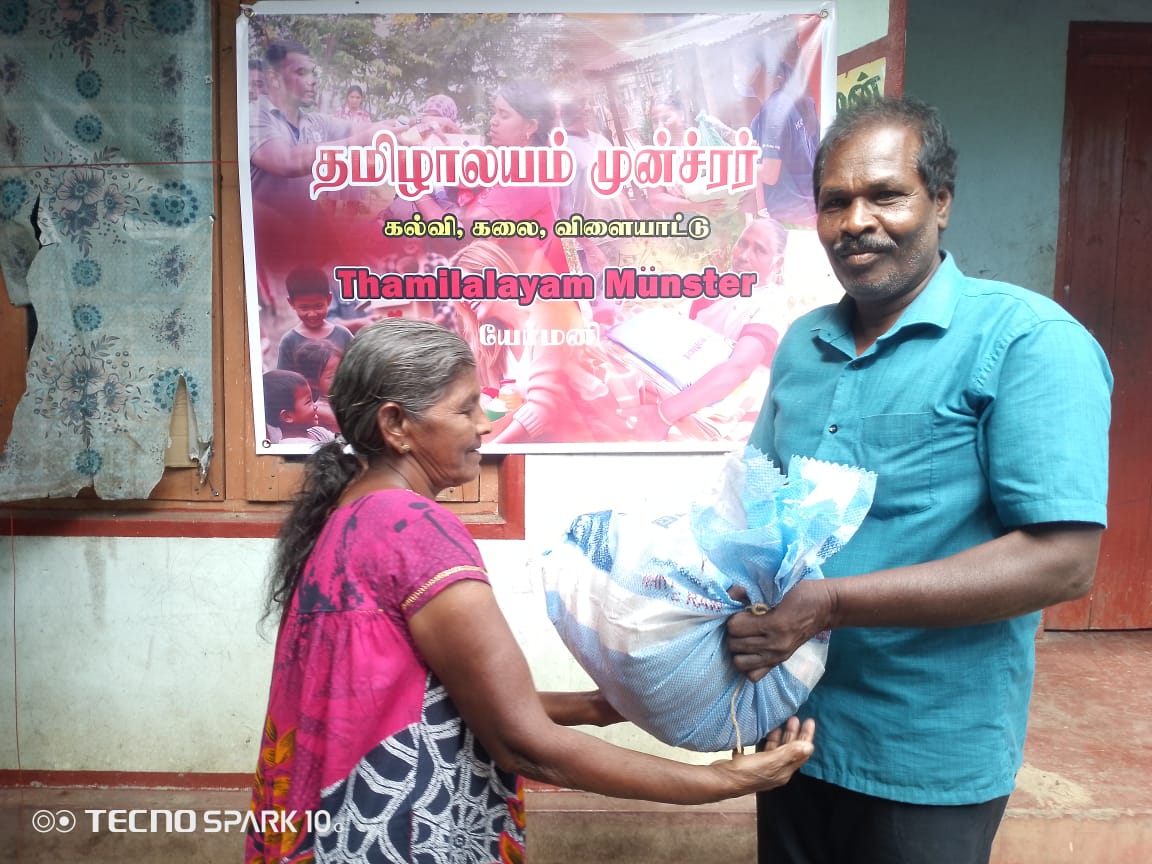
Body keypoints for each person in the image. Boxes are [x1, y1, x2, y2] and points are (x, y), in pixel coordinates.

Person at [245, 318, 817, 863]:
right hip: (397, 832)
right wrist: (720, 782)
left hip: (324, 825)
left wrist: (602, 707)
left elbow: (435, 700)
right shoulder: (414, 529)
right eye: (465, 409)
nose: (484, 424)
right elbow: (521, 742)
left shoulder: (348, 516)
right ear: (396, 425)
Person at [726, 96, 1112, 863]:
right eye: (835, 202)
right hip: (794, 730)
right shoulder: (802, 344)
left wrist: (831, 602)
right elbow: (757, 507)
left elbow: (1064, 561)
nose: (855, 222)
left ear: (941, 202)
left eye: (886, 195)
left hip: (926, 753)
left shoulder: (1028, 341)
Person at [634, 217, 789, 438]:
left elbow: (738, 368)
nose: (744, 255)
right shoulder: (717, 289)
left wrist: (662, 415)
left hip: (718, 417)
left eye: (759, 250)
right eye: (743, 243)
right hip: (680, 391)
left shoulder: (770, 306)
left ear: (778, 263)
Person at [413, 79, 569, 273]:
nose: (493, 121)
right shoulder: (519, 164)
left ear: (530, 126)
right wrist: (457, 138)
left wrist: (415, 187)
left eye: (504, 115)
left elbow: (458, 231)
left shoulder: (529, 176)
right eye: (494, 112)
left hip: (508, 286)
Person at [733, 57, 818, 227]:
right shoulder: (802, 107)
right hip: (810, 207)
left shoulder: (773, 109)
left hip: (789, 215)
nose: (739, 73)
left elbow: (768, 174)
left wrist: (735, 164)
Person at [275, 268, 354, 372]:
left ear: (329, 299)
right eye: (304, 307)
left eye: (318, 306)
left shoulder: (343, 335)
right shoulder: (289, 341)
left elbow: (356, 368)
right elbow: (284, 378)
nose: (312, 314)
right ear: (291, 303)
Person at [261, 369, 334, 446]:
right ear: (287, 416)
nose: (315, 406)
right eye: (308, 402)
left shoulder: (316, 431)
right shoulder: (294, 447)